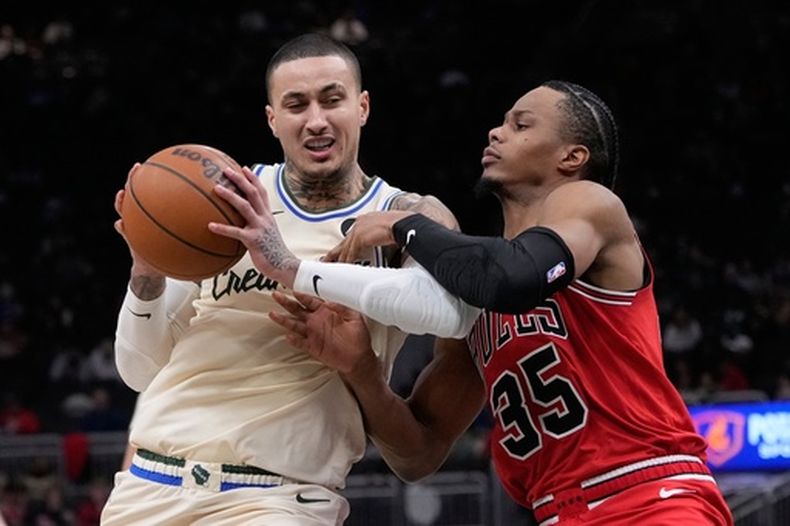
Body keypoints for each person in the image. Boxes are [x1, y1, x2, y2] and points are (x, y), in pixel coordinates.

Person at [224, 81, 734, 524]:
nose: (496, 132)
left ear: (572, 158)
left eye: (521, 125)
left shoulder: (589, 203)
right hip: (557, 511)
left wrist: (405, 225)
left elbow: (514, 277)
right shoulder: (476, 288)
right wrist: (362, 371)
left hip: (649, 494)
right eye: (502, 122)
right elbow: (419, 452)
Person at [102, 33, 484, 525]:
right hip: (148, 485)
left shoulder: (404, 213)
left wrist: (292, 269)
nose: (316, 120)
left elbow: (449, 313)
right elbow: (139, 371)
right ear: (272, 119)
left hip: (275, 500)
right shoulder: (227, 198)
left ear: (363, 107)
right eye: (297, 104)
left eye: (332, 100)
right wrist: (147, 275)